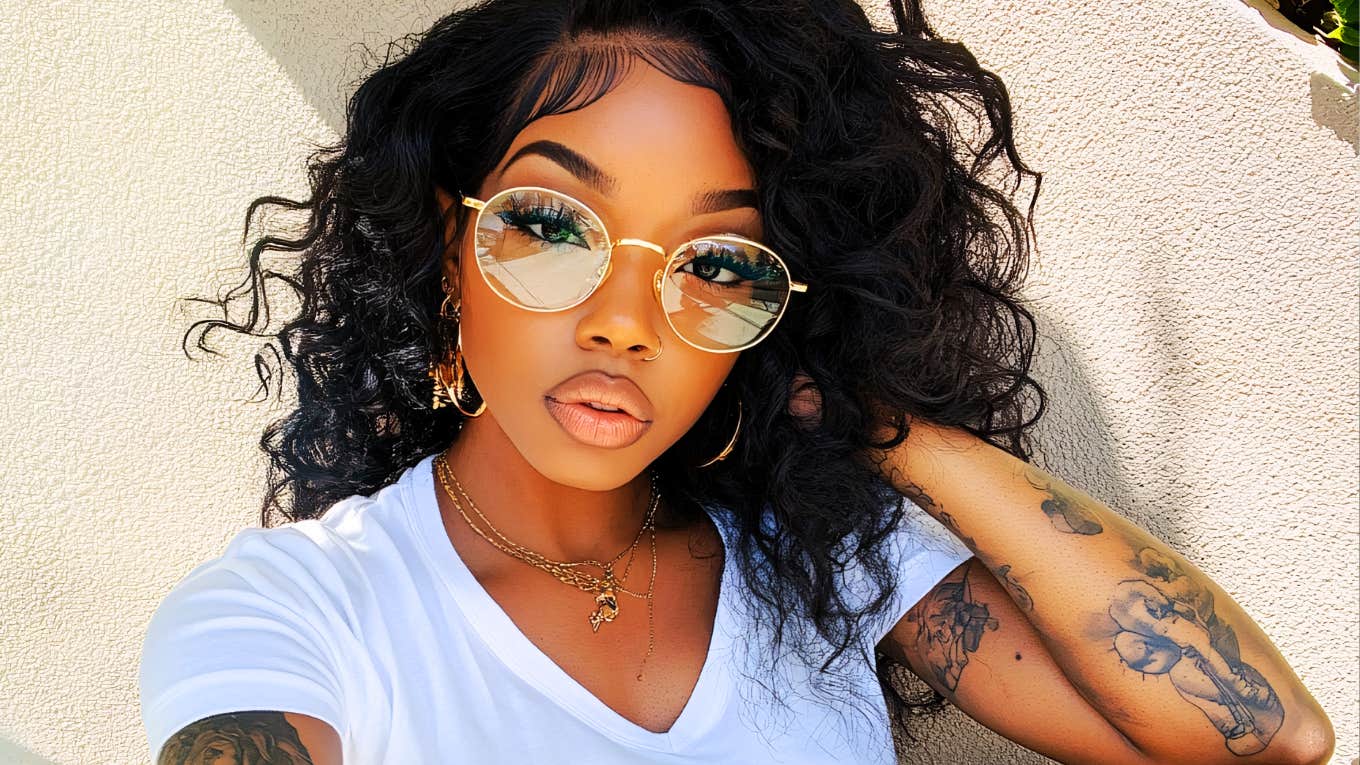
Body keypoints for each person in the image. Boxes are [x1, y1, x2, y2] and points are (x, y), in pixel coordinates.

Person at [138, 1, 1336, 763]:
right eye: (552, 226)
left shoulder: (817, 562)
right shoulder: (291, 615)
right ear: (450, 250)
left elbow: (1266, 737)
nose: (626, 322)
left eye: (715, 263)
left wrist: (880, 426)